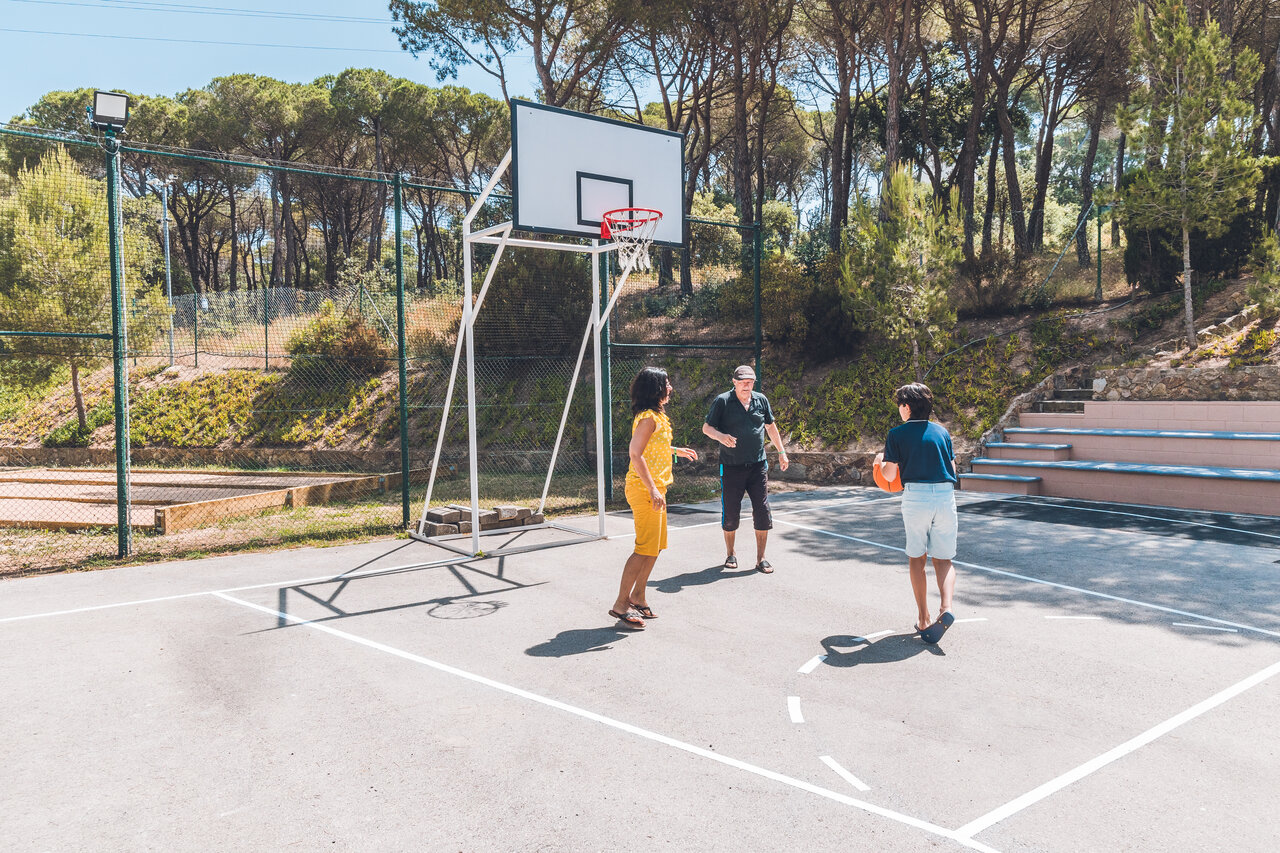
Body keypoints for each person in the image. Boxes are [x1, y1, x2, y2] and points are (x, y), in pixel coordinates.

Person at [610, 366, 698, 630]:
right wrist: (652, 489)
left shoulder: (656, 417)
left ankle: (638, 595)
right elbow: (635, 453)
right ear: (655, 389)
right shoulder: (648, 417)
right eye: (666, 383)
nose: (670, 387)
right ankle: (621, 604)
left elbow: (653, 447)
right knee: (643, 547)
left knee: (655, 546)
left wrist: (675, 450)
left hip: (656, 489)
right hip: (645, 489)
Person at [875, 382, 958, 644]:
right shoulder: (942, 432)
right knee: (944, 560)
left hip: (916, 497)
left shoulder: (896, 434)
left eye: (900, 405)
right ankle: (946, 609)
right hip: (945, 496)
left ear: (906, 407)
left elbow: (890, 476)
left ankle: (923, 618)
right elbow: (953, 470)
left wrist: (879, 463)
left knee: (917, 558)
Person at [702, 364, 789, 574]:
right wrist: (721, 437)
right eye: (742, 382)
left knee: (762, 510)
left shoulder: (761, 400)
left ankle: (761, 559)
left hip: (757, 466)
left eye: (750, 382)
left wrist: (782, 451)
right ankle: (730, 553)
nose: (746, 386)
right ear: (734, 382)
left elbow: (770, 427)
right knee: (731, 512)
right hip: (731, 467)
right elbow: (707, 428)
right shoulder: (723, 401)